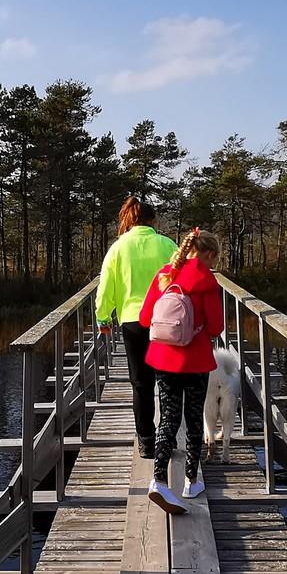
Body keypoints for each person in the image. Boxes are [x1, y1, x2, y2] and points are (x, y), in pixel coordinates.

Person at [138, 228, 224, 514]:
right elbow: (215, 327)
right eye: (215, 258)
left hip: (164, 358)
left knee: (168, 416)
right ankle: (191, 481)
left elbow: (144, 317)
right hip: (196, 359)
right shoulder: (207, 280)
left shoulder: (165, 274)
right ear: (208, 254)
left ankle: (159, 481)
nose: (214, 264)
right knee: (194, 416)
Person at [94, 196, 178, 458]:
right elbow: (183, 278)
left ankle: (146, 440)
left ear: (129, 220)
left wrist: (103, 317)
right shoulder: (167, 245)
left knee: (140, 383)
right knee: (168, 381)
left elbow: (106, 285)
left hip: (133, 321)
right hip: (166, 321)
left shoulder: (118, 248)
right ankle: (168, 437)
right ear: (153, 221)